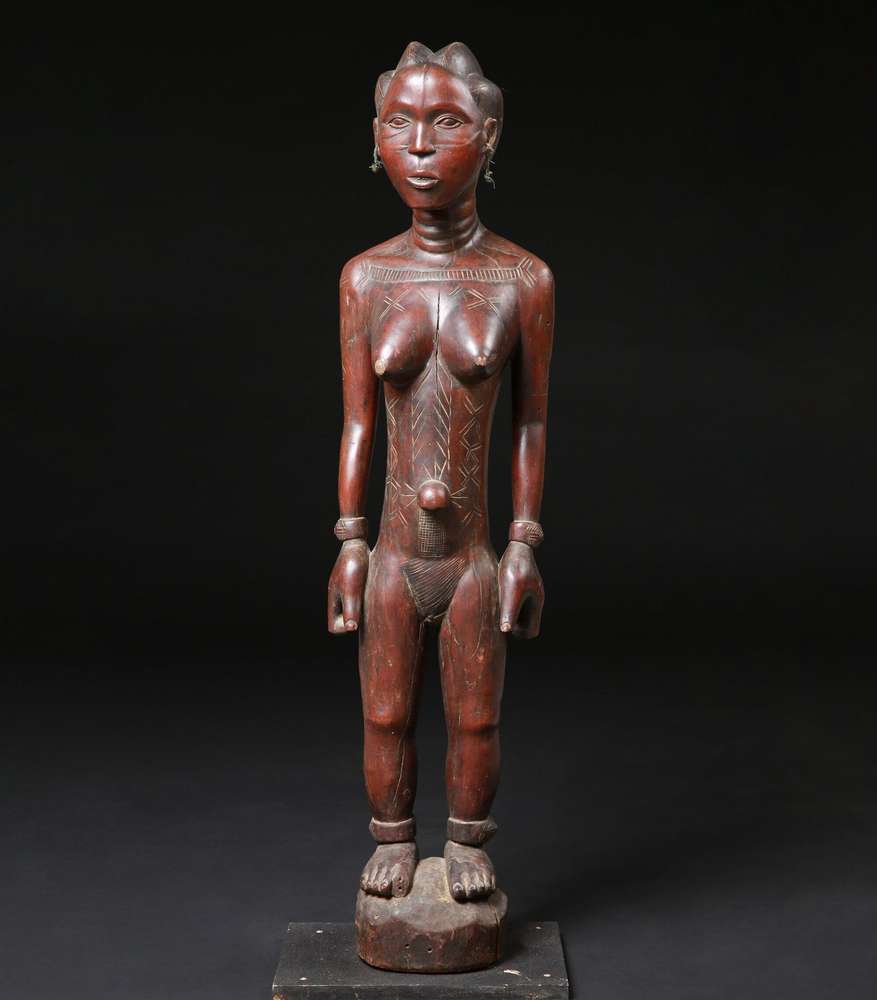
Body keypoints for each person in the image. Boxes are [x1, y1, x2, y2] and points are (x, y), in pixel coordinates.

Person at [326, 40, 554, 904]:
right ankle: (391, 838)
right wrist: (350, 544)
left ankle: (466, 842)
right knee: (384, 713)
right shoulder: (366, 278)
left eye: (446, 122)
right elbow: (356, 421)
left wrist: (524, 545)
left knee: (477, 718)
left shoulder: (522, 279)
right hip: (392, 554)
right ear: (375, 137)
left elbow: (531, 421)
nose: (419, 146)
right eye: (399, 123)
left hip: (471, 558)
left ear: (489, 137)